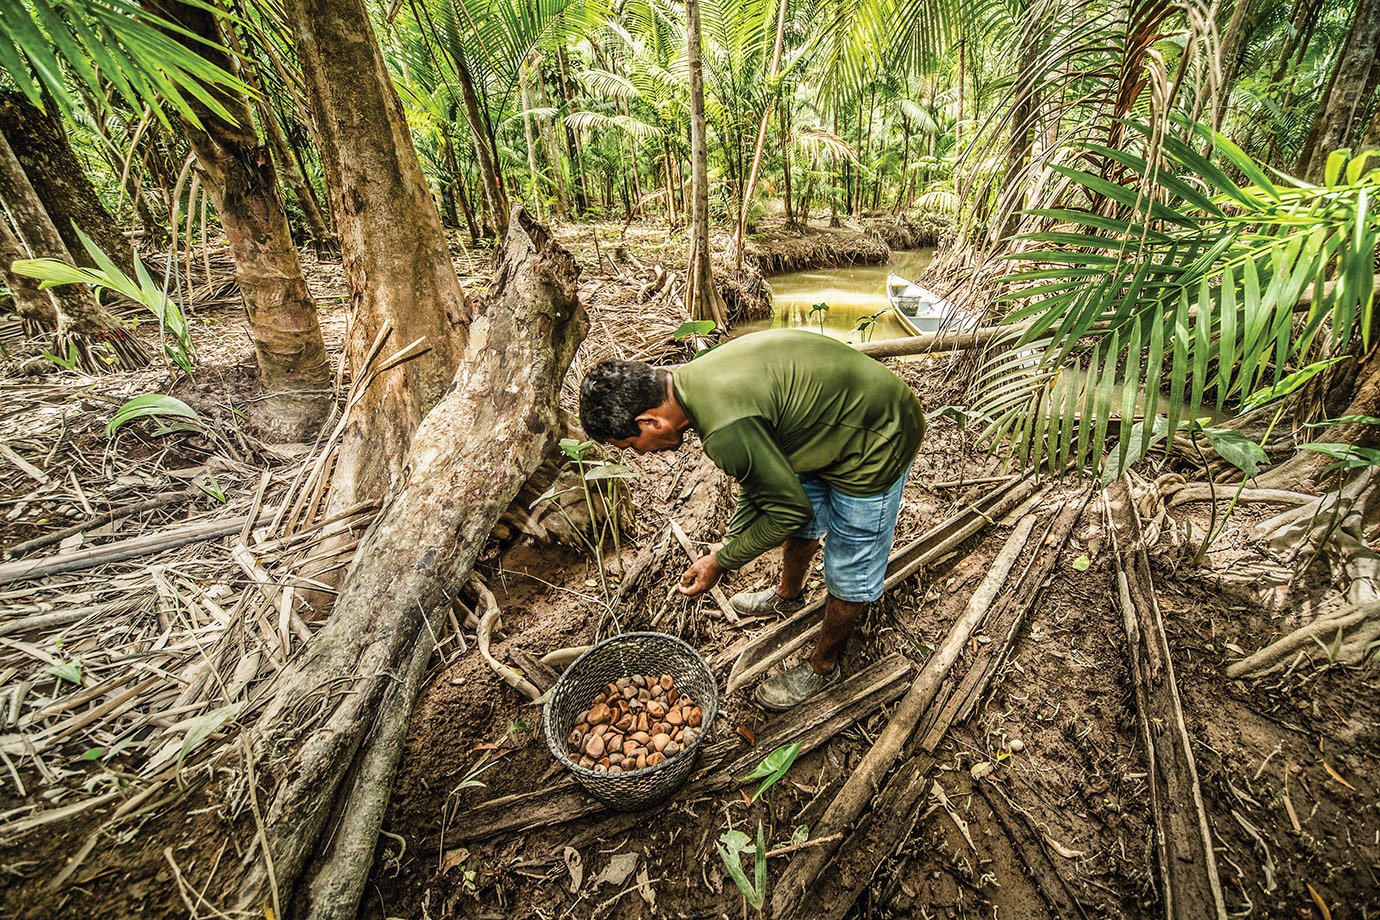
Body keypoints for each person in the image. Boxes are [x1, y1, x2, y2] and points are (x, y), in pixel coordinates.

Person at [578, 328, 925, 710]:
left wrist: (720, 561)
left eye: (632, 447)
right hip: (821, 427)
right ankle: (787, 596)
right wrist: (730, 542)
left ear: (649, 423)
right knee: (803, 521)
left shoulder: (723, 427)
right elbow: (758, 480)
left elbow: (788, 511)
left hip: (878, 434)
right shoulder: (688, 379)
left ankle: (824, 666)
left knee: (849, 566)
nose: (642, 455)